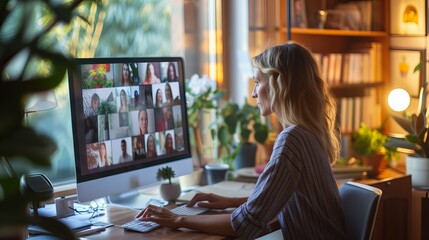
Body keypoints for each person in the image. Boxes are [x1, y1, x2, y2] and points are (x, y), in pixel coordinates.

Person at [136, 42, 346, 239]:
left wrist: (177, 219)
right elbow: (274, 199)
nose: (253, 93)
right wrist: (229, 202)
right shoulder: (308, 134)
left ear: (277, 84)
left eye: (257, 82)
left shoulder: (292, 139)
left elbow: (245, 224)